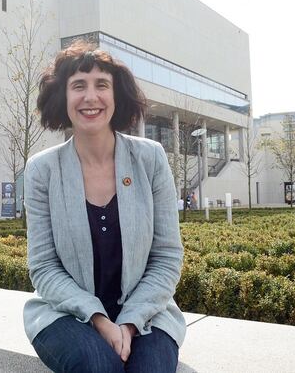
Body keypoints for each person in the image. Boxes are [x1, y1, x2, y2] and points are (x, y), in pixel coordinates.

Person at [23, 41, 185, 373]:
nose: (90, 96)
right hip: (64, 313)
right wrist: (98, 318)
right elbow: (43, 267)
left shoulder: (150, 158)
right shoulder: (42, 169)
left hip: (147, 312)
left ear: (116, 96)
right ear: (62, 97)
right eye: (78, 86)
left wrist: (129, 321)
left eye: (102, 85)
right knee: (99, 366)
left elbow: (167, 257)